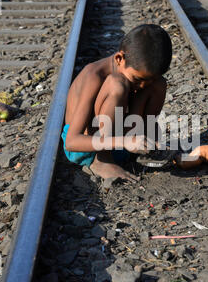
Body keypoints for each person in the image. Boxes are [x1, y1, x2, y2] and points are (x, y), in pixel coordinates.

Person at [62, 24, 172, 181]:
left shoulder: (138, 76)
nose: (141, 87)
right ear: (119, 59)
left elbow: (147, 84)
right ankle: (103, 160)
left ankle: (145, 148)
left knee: (158, 83)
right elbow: (71, 142)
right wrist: (124, 141)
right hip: (87, 148)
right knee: (117, 84)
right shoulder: (93, 75)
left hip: (125, 142)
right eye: (137, 79)